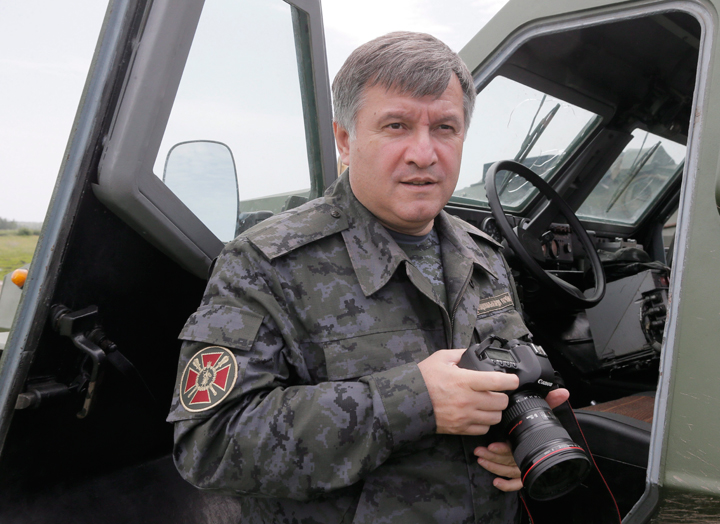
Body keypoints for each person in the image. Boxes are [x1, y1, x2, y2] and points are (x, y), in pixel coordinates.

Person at [167, 31, 568, 523]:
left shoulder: (483, 255)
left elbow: (515, 377)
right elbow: (210, 443)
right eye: (396, 126)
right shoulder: (263, 264)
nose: (424, 154)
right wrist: (413, 401)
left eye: (445, 127)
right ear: (345, 140)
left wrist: (520, 435)